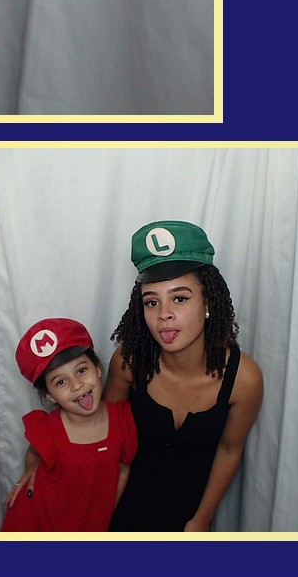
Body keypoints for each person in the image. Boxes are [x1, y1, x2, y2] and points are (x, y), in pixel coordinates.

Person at [103, 220, 263, 531]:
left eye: (179, 298)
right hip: (120, 512)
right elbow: (102, 434)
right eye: (152, 301)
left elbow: (230, 449)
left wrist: (201, 520)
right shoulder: (129, 361)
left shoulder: (244, 379)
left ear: (207, 302)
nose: (164, 314)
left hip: (189, 520)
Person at [0, 317, 137, 532]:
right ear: (50, 396)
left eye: (81, 370)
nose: (77, 385)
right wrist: (32, 472)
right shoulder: (47, 430)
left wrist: (104, 515)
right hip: (39, 522)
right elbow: (33, 453)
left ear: (98, 369)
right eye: (60, 382)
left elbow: (123, 470)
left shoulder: (122, 420)